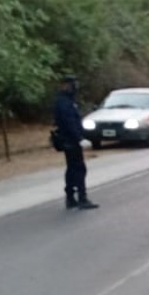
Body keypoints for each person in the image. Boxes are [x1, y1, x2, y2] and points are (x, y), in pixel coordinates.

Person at [53, 75, 98, 210]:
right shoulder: (64, 102)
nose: (75, 87)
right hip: (70, 140)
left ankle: (71, 198)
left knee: (72, 169)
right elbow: (69, 123)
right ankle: (81, 198)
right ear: (66, 85)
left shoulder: (67, 100)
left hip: (70, 140)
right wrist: (79, 138)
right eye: (73, 84)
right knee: (78, 169)